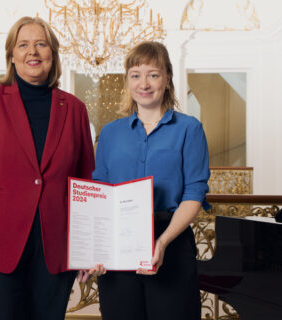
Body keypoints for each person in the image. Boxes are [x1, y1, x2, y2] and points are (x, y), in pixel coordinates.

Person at [0, 16, 95, 320]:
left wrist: (86, 248)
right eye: (23, 44)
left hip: (54, 253)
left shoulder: (75, 109)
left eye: (41, 44)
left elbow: (86, 186)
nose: (33, 52)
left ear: (52, 54)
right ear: (11, 55)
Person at [88, 41, 210, 320]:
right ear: (127, 81)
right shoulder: (109, 133)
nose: (144, 83)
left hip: (171, 239)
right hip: (118, 244)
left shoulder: (189, 129)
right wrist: (96, 247)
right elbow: (100, 192)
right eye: (136, 75)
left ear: (167, 78)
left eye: (153, 74)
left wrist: (163, 242)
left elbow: (195, 191)